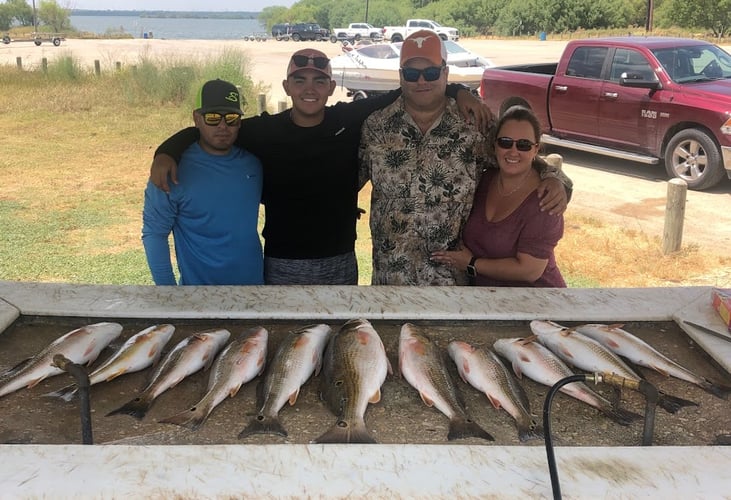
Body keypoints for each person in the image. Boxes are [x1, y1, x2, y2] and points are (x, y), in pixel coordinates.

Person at [150, 48, 495, 285]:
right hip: (282, 263)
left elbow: (406, 90)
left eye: (319, 80)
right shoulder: (263, 131)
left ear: (331, 87)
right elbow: (217, 129)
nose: (309, 89)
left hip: (340, 260)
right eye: (300, 80)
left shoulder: (350, 118)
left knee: (335, 344)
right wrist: (167, 150)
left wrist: (457, 90)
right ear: (287, 86)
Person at [359, 30, 571, 286]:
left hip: (451, 282)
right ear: (401, 75)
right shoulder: (375, 126)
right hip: (390, 279)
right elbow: (346, 178)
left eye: (431, 72)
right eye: (412, 73)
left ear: (445, 74)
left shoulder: (474, 126)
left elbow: (516, 155)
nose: (421, 81)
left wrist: (555, 177)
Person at [142, 79, 264, 286]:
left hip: (254, 290)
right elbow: (154, 234)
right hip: (198, 293)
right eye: (213, 117)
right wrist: (169, 294)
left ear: (240, 122)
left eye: (232, 118)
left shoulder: (254, 164)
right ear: (196, 118)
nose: (223, 126)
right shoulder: (170, 170)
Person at [431, 105, 566, 287]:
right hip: (488, 300)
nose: (513, 151)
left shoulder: (546, 199)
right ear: (494, 145)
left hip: (536, 302)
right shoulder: (483, 180)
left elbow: (530, 270)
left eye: (524, 145)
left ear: (536, 149)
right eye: (505, 142)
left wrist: (471, 264)